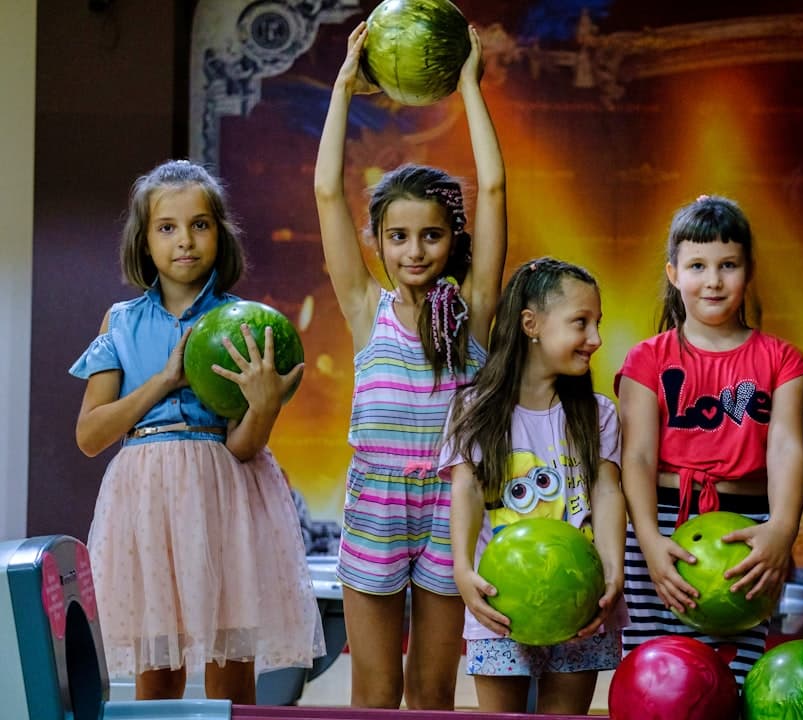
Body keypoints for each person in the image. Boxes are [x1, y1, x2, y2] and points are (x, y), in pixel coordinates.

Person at [70, 159, 324, 703]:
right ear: (144, 242)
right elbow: (91, 435)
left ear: (220, 234)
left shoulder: (245, 323)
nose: (184, 240)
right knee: (156, 677)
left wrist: (264, 407)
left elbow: (243, 445)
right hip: (146, 503)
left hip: (224, 499)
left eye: (200, 224)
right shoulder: (120, 322)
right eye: (167, 227)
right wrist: (164, 381)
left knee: (230, 676)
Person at [313, 20, 507, 710]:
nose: (415, 250)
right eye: (398, 237)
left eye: (431, 234)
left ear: (453, 238)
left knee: (430, 690)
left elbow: (494, 188)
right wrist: (343, 86)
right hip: (376, 502)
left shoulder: (474, 311)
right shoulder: (369, 310)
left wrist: (468, 88)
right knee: (376, 688)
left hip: (452, 505)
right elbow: (330, 195)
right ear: (380, 244)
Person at [616, 194, 803, 686]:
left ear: (748, 270)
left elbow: (787, 449)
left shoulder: (784, 361)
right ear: (673, 272)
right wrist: (648, 542)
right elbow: (637, 456)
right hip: (658, 529)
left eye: (728, 265)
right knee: (654, 676)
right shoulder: (647, 359)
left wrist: (781, 532)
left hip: (748, 533)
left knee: (732, 679)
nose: (713, 280)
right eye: (698, 265)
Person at [440, 258, 625, 715]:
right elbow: (464, 491)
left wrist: (612, 571)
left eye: (597, 323)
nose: (595, 339)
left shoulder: (597, 413)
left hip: (581, 609)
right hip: (499, 608)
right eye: (581, 322)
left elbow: (607, 493)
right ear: (531, 324)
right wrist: (464, 572)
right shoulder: (474, 407)